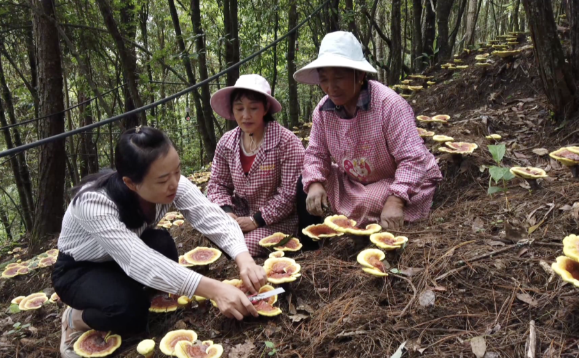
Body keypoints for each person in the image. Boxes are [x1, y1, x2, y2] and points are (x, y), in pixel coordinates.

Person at [53, 126, 266, 358]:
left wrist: (243, 258)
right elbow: (140, 261)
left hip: (125, 253)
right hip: (80, 269)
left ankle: (128, 295)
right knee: (129, 312)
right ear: (131, 183)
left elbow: (210, 216)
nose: (174, 183)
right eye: (163, 179)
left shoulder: (173, 184)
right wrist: (215, 290)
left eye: (177, 171)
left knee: (163, 243)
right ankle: (74, 319)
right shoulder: (93, 203)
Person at [293, 31, 442, 236]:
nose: (331, 87)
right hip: (355, 181)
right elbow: (316, 154)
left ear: (360, 75)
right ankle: (317, 240)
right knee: (305, 181)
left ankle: (360, 221)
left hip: (396, 179)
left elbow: (413, 159)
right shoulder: (323, 111)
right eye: (324, 79)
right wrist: (315, 182)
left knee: (368, 200)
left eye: (339, 77)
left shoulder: (389, 105)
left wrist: (396, 199)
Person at [207, 74, 305, 255]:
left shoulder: (286, 142)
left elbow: (289, 194)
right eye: (239, 108)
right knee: (212, 230)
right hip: (239, 214)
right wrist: (227, 213)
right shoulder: (226, 143)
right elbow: (217, 184)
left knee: (242, 246)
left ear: (266, 108)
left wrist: (256, 220)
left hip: (278, 221)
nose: (246, 116)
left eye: (253, 108)